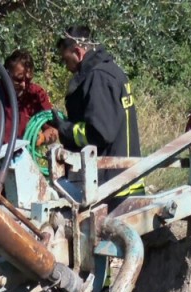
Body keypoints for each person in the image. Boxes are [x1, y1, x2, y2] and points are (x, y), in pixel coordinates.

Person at [50, 25, 141, 187]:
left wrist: (65, 129)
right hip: (125, 179)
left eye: (66, 59)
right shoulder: (112, 71)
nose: (66, 65)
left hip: (111, 186)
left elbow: (99, 133)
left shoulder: (98, 78)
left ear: (78, 53)